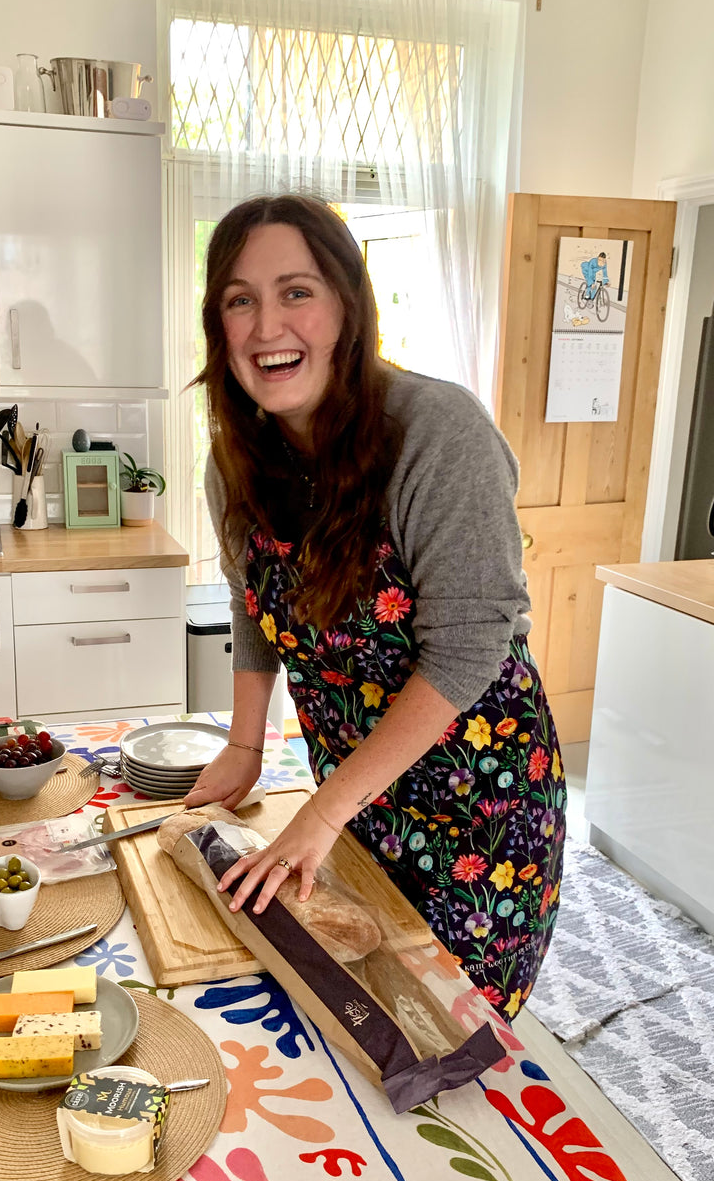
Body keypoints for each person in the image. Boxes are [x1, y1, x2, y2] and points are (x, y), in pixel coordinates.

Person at [183, 194, 564, 1017]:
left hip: (480, 803)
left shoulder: (437, 432)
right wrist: (246, 744)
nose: (266, 325)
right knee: (349, 1004)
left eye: (297, 291)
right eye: (239, 299)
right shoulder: (237, 462)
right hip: (351, 793)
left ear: (349, 307)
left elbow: (468, 648)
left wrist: (322, 810)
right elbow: (256, 606)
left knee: (443, 1029)